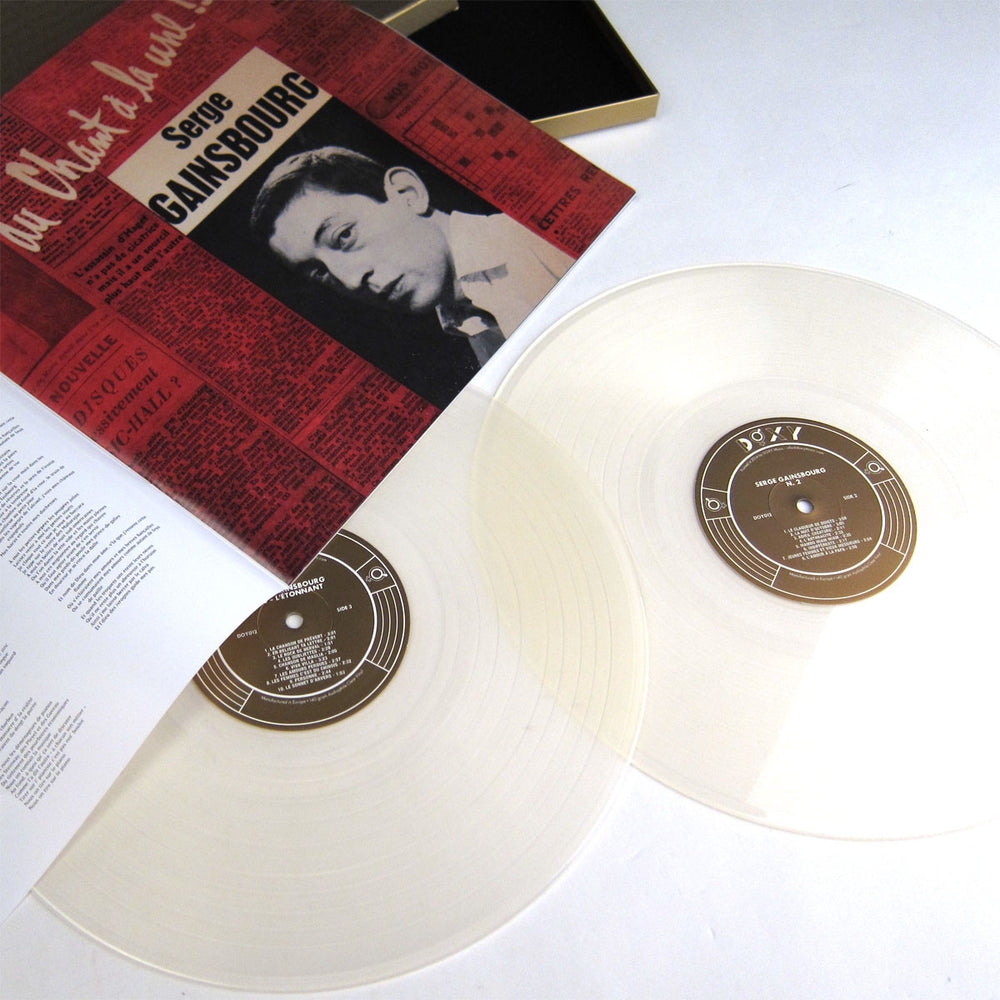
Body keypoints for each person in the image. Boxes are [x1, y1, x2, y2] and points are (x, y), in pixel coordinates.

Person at [250, 146, 574, 365]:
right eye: (319, 271)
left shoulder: (548, 243)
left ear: (407, 194)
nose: (349, 280)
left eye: (344, 235)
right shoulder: (463, 321)